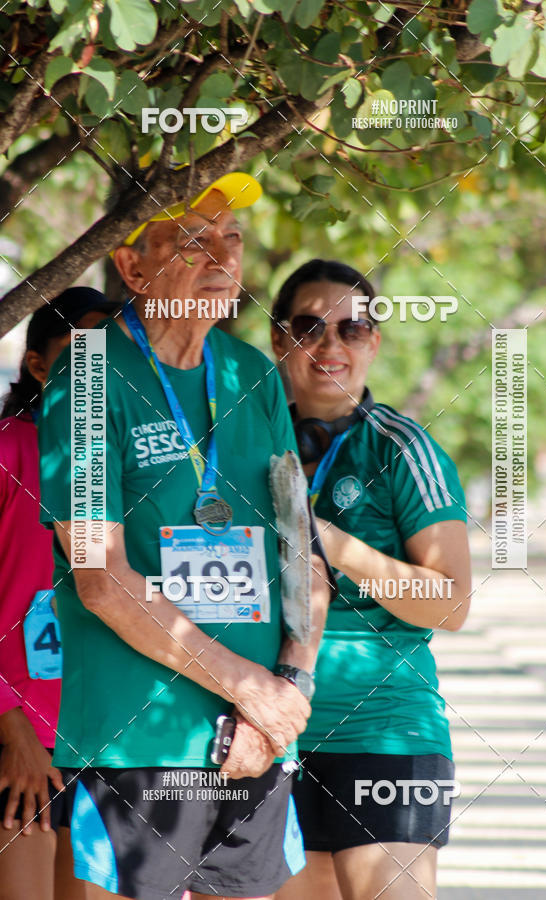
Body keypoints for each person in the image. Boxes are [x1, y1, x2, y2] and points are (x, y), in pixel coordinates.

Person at [37, 173, 330, 900]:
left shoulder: (251, 373)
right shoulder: (90, 371)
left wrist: (288, 686)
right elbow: (99, 578)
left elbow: (301, 553)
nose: (222, 258)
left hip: (255, 741)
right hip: (139, 739)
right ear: (132, 266)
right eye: (192, 241)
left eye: (231, 239)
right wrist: (249, 688)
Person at [270, 259, 472, 900]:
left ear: (373, 343)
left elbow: (451, 604)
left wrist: (331, 544)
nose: (331, 345)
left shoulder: (403, 450)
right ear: (279, 339)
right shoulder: (237, 442)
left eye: (352, 329)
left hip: (384, 734)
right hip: (266, 730)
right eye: (310, 327)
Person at [0, 288, 121, 900]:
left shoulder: (122, 465)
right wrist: (10, 724)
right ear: (38, 365)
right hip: (20, 733)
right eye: (79, 357)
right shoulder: (5, 450)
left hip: (109, 734)